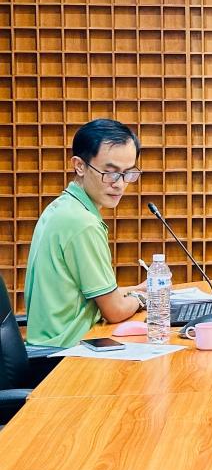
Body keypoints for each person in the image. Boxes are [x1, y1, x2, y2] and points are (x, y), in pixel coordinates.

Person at [25, 119, 147, 347]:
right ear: (80, 166)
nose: (120, 184)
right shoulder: (82, 223)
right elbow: (115, 311)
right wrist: (142, 297)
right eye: (110, 173)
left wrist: (136, 289)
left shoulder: (62, 207)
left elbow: (86, 296)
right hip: (66, 352)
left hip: (51, 343)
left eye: (128, 173)